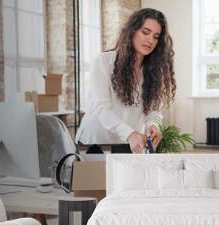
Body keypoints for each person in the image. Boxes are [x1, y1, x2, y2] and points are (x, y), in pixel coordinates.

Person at [75, 8, 176, 153]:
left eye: (156, 37)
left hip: (129, 144)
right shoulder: (103, 62)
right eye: (145, 32)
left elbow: (153, 110)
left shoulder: (153, 72)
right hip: (95, 144)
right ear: (132, 31)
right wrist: (129, 134)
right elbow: (102, 109)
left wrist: (153, 124)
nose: (150, 40)